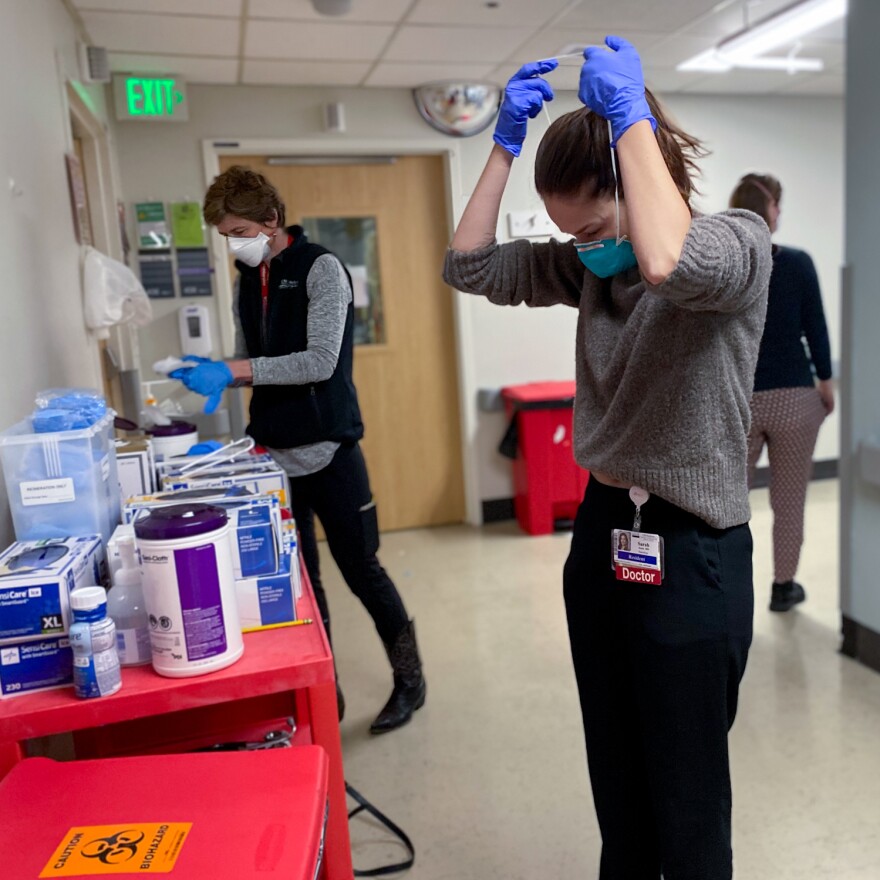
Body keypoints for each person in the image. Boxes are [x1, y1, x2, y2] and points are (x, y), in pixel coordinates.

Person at [443, 37, 771, 880]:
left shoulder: (735, 248)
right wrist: (504, 143)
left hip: (692, 550)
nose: (582, 248)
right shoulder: (593, 272)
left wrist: (633, 122)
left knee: (688, 794)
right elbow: (469, 264)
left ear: (637, 180)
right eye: (568, 235)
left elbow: (669, 262)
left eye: (591, 227)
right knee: (617, 773)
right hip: (604, 539)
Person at [170, 165, 425, 734]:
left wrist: (235, 369)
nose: (234, 245)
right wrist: (215, 375)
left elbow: (318, 362)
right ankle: (322, 695)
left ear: (271, 220)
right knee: (301, 583)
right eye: (225, 236)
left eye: (238, 231)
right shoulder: (246, 277)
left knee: (362, 570)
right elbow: (249, 355)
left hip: (331, 452)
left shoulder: (322, 269)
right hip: (273, 457)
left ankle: (410, 679)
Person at [730, 173, 834, 613]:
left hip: (743, 399)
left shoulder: (729, 263)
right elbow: (816, 328)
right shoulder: (798, 262)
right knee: (790, 500)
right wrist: (825, 384)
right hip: (795, 396)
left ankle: (731, 587)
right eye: (779, 205)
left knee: (730, 499)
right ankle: (782, 587)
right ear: (770, 209)